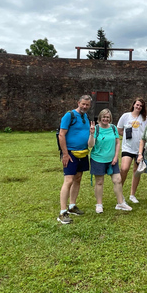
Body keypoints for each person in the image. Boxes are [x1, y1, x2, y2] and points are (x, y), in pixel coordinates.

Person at [57, 95, 94, 224]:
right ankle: (62, 212)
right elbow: (62, 134)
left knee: (78, 179)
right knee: (68, 180)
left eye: (87, 105)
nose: (84, 106)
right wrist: (65, 154)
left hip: (82, 153)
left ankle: (72, 206)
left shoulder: (85, 117)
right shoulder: (69, 115)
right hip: (71, 153)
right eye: (83, 104)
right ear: (78, 102)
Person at [89, 109, 132, 213]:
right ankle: (99, 204)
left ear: (110, 118)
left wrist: (115, 156)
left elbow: (117, 143)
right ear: (100, 118)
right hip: (98, 159)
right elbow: (91, 145)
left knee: (118, 180)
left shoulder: (113, 128)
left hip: (112, 160)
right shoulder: (96, 129)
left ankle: (120, 203)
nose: (105, 119)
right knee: (99, 182)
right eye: (103, 117)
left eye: (107, 117)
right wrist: (91, 134)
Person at [117, 98, 147, 204]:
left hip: (139, 149)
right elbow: (119, 130)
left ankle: (132, 194)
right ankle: (119, 193)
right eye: (137, 105)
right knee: (124, 168)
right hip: (127, 147)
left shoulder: (145, 118)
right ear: (133, 105)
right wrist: (127, 135)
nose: (138, 107)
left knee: (136, 171)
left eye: (141, 106)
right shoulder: (125, 116)